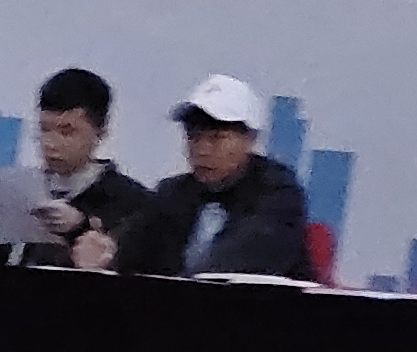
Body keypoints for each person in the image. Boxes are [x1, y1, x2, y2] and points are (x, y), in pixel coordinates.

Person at [93, 76, 312, 279]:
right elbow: (137, 238)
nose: (202, 150)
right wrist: (110, 249)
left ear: (250, 139)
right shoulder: (174, 192)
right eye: (194, 137)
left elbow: (241, 259)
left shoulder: (278, 194)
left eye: (217, 138)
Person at [0, 67, 146, 268]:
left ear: (101, 130)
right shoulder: (22, 190)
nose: (51, 143)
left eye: (66, 132)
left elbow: (132, 267)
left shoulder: (130, 201)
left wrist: (79, 229)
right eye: (44, 129)